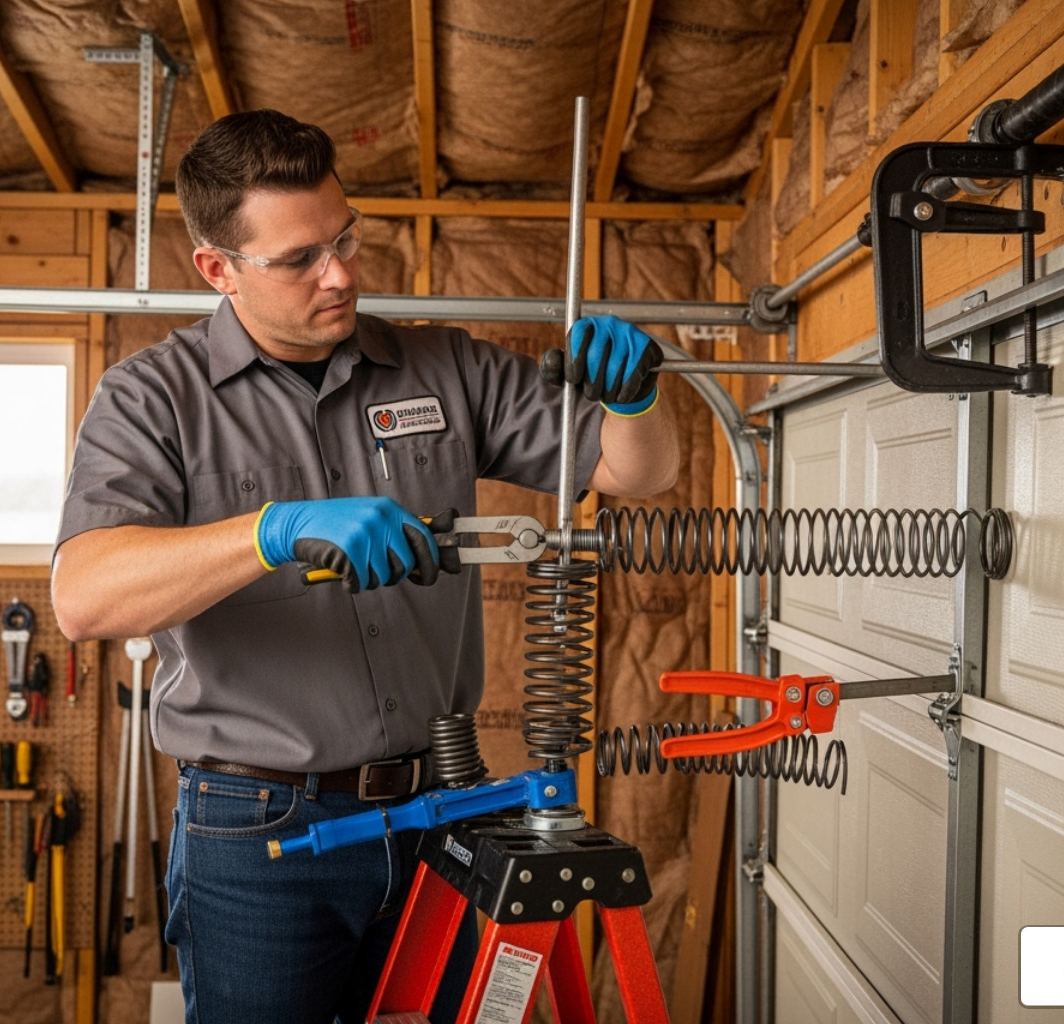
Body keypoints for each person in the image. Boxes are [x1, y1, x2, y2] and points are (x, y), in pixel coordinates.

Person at [50, 109, 679, 1024]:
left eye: (344, 237)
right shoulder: (154, 398)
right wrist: (272, 530)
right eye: (299, 258)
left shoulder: (439, 366)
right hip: (258, 829)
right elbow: (84, 597)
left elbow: (639, 471)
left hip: (445, 807)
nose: (340, 273)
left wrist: (635, 398)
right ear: (218, 269)